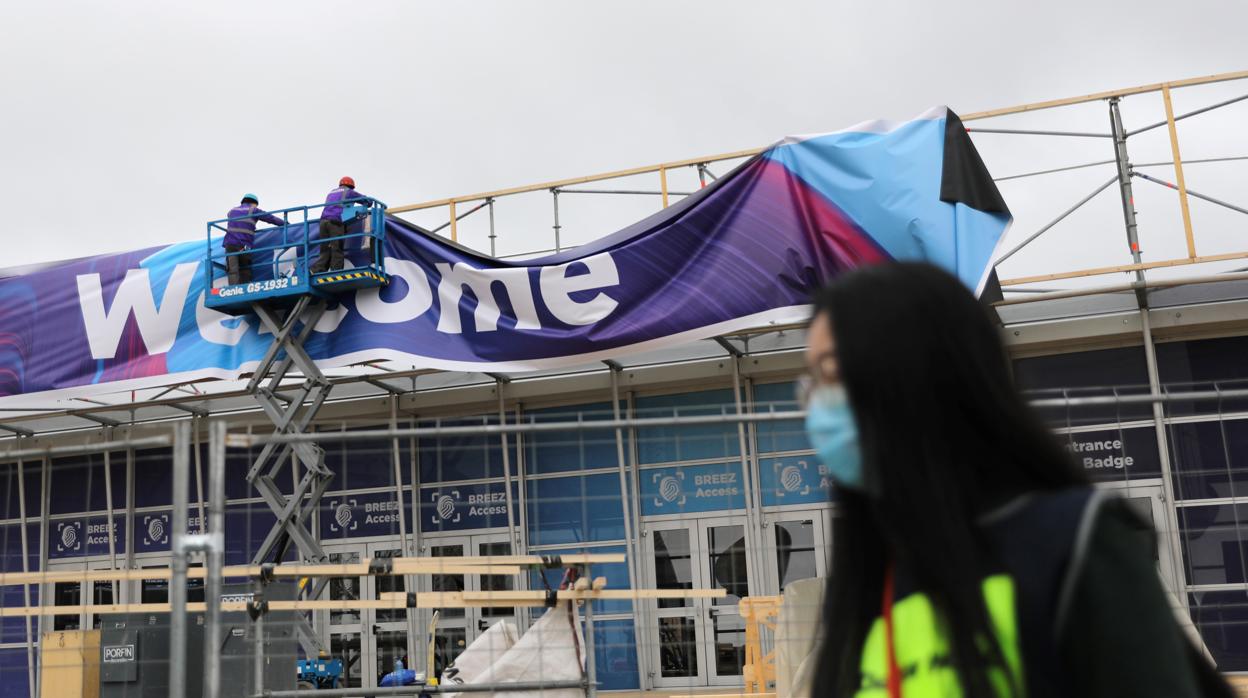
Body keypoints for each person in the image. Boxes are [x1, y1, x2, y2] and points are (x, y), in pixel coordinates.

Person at [802, 262, 1231, 698]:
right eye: (812, 382)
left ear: (918, 373)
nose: (815, 404)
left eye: (832, 374)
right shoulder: (871, 572)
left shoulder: (1072, 544)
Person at [312, 176, 371, 274]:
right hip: (335, 221)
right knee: (337, 248)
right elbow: (367, 201)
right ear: (351, 186)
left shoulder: (331, 192)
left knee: (325, 249)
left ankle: (317, 270)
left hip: (323, 222)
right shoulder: (349, 192)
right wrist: (369, 203)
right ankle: (336, 271)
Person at [223, 193, 284, 285]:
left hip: (230, 244)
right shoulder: (253, 210)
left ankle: (233, 289)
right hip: (243, 244)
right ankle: (245, 288)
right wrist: (285, 223)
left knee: (232, 269)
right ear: (254, 203)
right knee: (245, 269)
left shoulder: (232, 211)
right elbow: (270, 218)